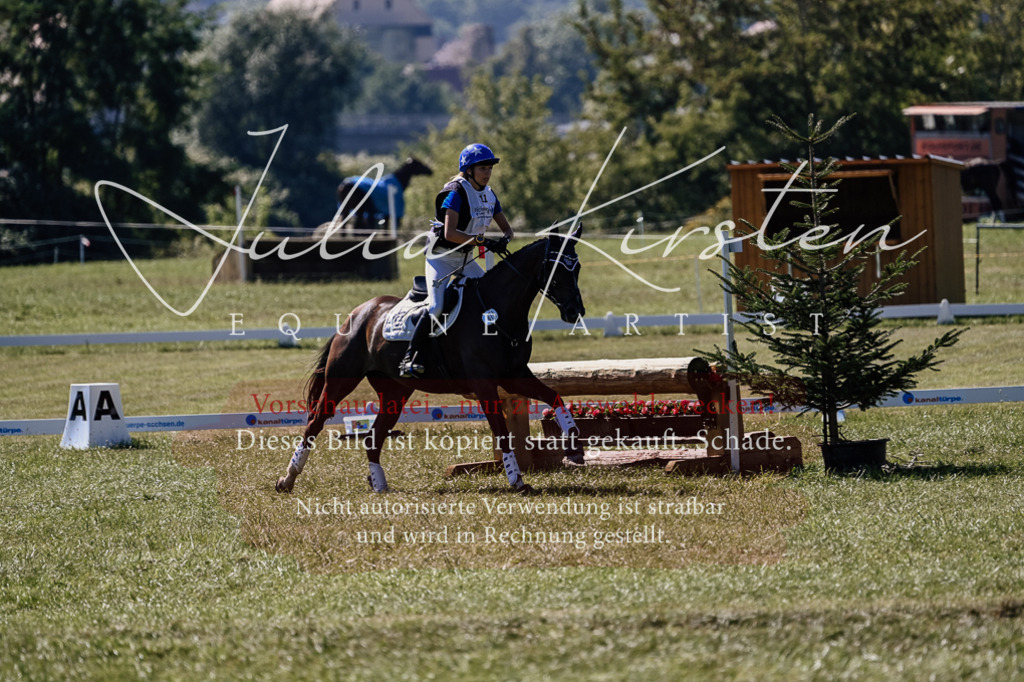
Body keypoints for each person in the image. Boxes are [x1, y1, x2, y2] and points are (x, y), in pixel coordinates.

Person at [398, 143, 515, 378]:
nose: (488, 173)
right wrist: (483, 241)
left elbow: (508, 230)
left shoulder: (489, 195)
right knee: (436, 307)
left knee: (489, 297)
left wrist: (504, 240)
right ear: (469, 170)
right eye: (482, 168)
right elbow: (450, 233)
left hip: (466, 258)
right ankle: (410, 357)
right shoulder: (455, 192)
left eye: (490, 168)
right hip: (441, 258)